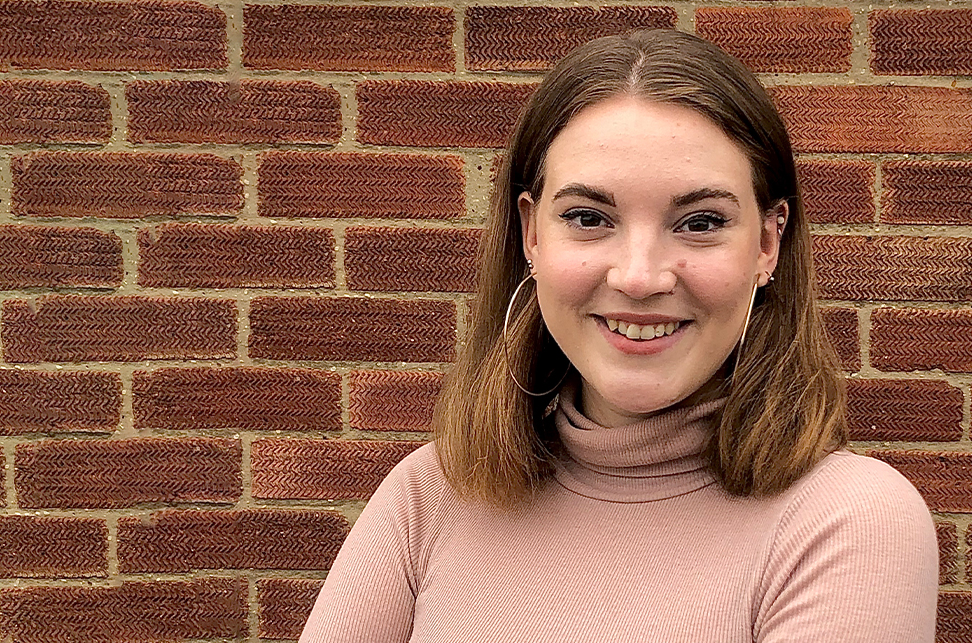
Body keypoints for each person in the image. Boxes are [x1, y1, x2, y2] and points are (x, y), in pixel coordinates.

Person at [300, 29, 937, 642]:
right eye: (587, 217)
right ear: (532, 234)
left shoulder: (843, 521)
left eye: (700, 222)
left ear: (769, 242)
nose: (639, 277)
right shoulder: (432, 496)